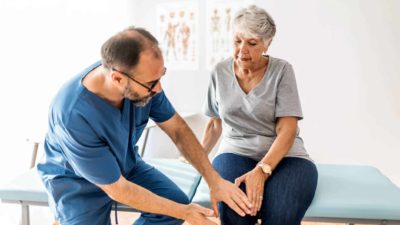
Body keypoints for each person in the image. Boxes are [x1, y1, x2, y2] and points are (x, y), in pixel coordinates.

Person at [37, 26, 252, 225]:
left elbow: (178, 129)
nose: (158, 89)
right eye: (152, 83)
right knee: (178, 208)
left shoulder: (143, 83)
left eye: (161, 76)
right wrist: (185, 212)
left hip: (125, 164)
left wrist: (214, 181)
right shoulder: (73, 114)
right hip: (77, 183)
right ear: (118, 79)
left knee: (174, 202)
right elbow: (117, 188)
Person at [201, 5, 318, 225]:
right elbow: (215, 124)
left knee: (280, 215)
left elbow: (287, 129)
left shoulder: (282, 71)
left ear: (267, 43)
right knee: (235, 212)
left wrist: (261, 170)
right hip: (235, 151)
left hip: (286, 156)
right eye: (237, 41)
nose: (242, 50)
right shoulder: (219, 71)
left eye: (252, 43)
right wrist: (196, 161)